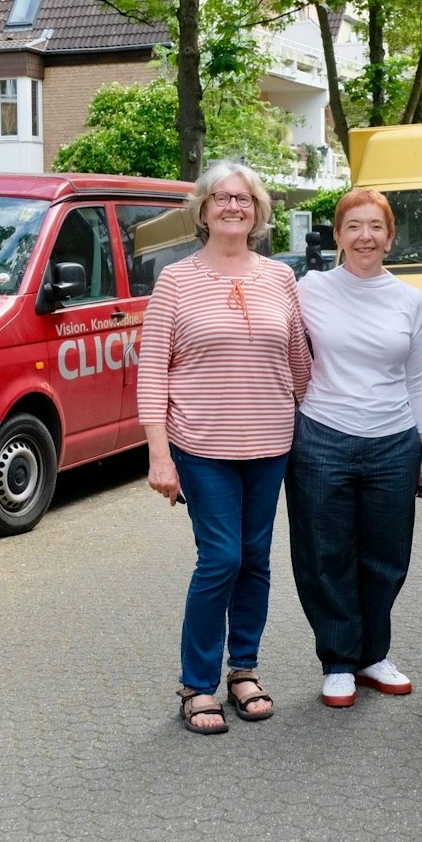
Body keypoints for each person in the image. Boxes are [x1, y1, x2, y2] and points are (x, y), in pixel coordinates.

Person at [137, 161, 312, 735]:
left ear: (258, 211)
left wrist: (311, 422)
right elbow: (153, 371)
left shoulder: (281, 279)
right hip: (202, 445)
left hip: (269, 444)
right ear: (203, 210)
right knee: (222, 558)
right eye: (221, 197)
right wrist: (159, 455)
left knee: (256, 559)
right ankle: (195, 683)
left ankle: (244, 670)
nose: (233, 206)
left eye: (244, 198)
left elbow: (298, 362)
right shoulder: (175, 280)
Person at [287, 189, 422, 708]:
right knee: (324, 554)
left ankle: (373, 655)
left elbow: (420, 379)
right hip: (321, 438)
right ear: (338, 236)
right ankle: (338, 661)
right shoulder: (309, 290)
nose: (365, 236)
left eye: (376, 226)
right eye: (354, 226)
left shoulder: (410, 300)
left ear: (390, 237)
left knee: (387, 556)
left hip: (393, 444)